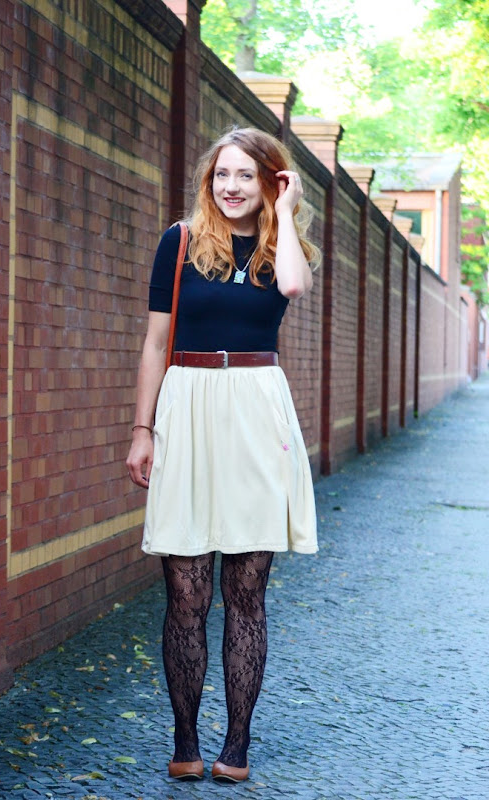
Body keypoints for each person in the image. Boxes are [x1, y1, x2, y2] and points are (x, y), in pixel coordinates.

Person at [125, 127, 319, 783]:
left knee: (246, 591)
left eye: (246, 175)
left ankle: (236, 745)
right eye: (221, 175)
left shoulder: (279, 247)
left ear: (270, 180)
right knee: (185, 593)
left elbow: (294, 287)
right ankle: (184, 739)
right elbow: (156, 343)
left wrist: (285, 214)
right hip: (188, 403)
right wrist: (142, 428)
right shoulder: (177, 243)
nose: (231, 187)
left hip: (257, 408)